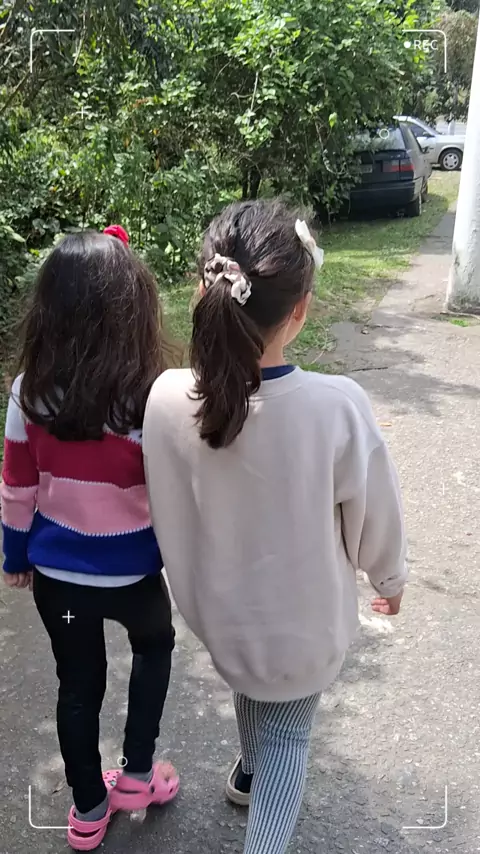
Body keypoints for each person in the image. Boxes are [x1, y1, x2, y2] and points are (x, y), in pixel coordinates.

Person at [143, 200, 407, 854]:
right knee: (289, 731)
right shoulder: (336, 407)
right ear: (300, 309)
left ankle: (250, 771)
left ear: (202, 291)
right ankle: (263, 788)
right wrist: (389, 577)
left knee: (253, 685)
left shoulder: (167, 399)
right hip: (302, 625)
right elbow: (375, 510)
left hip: (222, 617)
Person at [1, 227, 180, 851]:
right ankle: (136, 774)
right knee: (155, 646)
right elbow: (172, 491)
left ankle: (86, 808)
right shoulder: (152, 396)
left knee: (78, 685)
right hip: (134, 578)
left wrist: (14, 555)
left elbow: (16, 486)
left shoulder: (28, 393)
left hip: (62, 584)